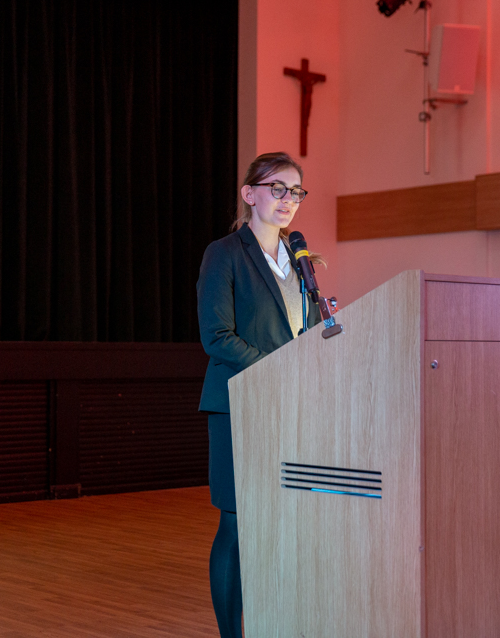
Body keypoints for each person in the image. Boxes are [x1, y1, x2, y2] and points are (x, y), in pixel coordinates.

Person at [196, 152, 323, 638]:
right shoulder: (224, 253)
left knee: (280, 526)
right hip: (239, 405)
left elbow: (305, 331)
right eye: (277, 188)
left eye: (296, 191)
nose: (288, 200)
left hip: (291, 408)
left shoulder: (298, 259)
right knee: (238, 526)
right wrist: (279, 371)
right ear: (250, 194)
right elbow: (217, 337)